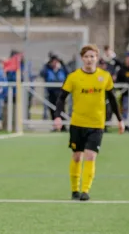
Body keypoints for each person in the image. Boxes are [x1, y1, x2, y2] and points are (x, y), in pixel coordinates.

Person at [53, 44, 124, 201]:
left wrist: (120, 120)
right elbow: (61, 98)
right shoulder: (73, 77)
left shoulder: (105, 76)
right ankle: (74, 190)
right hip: (77, 123)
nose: (89, 59)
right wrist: (58, 116)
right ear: (82, 58)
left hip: (97, 124)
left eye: (92, 56)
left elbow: (112, 99)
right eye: (86, 56)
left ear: (97, 58)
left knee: (90, 156)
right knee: (77, 157)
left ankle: (85, 190)